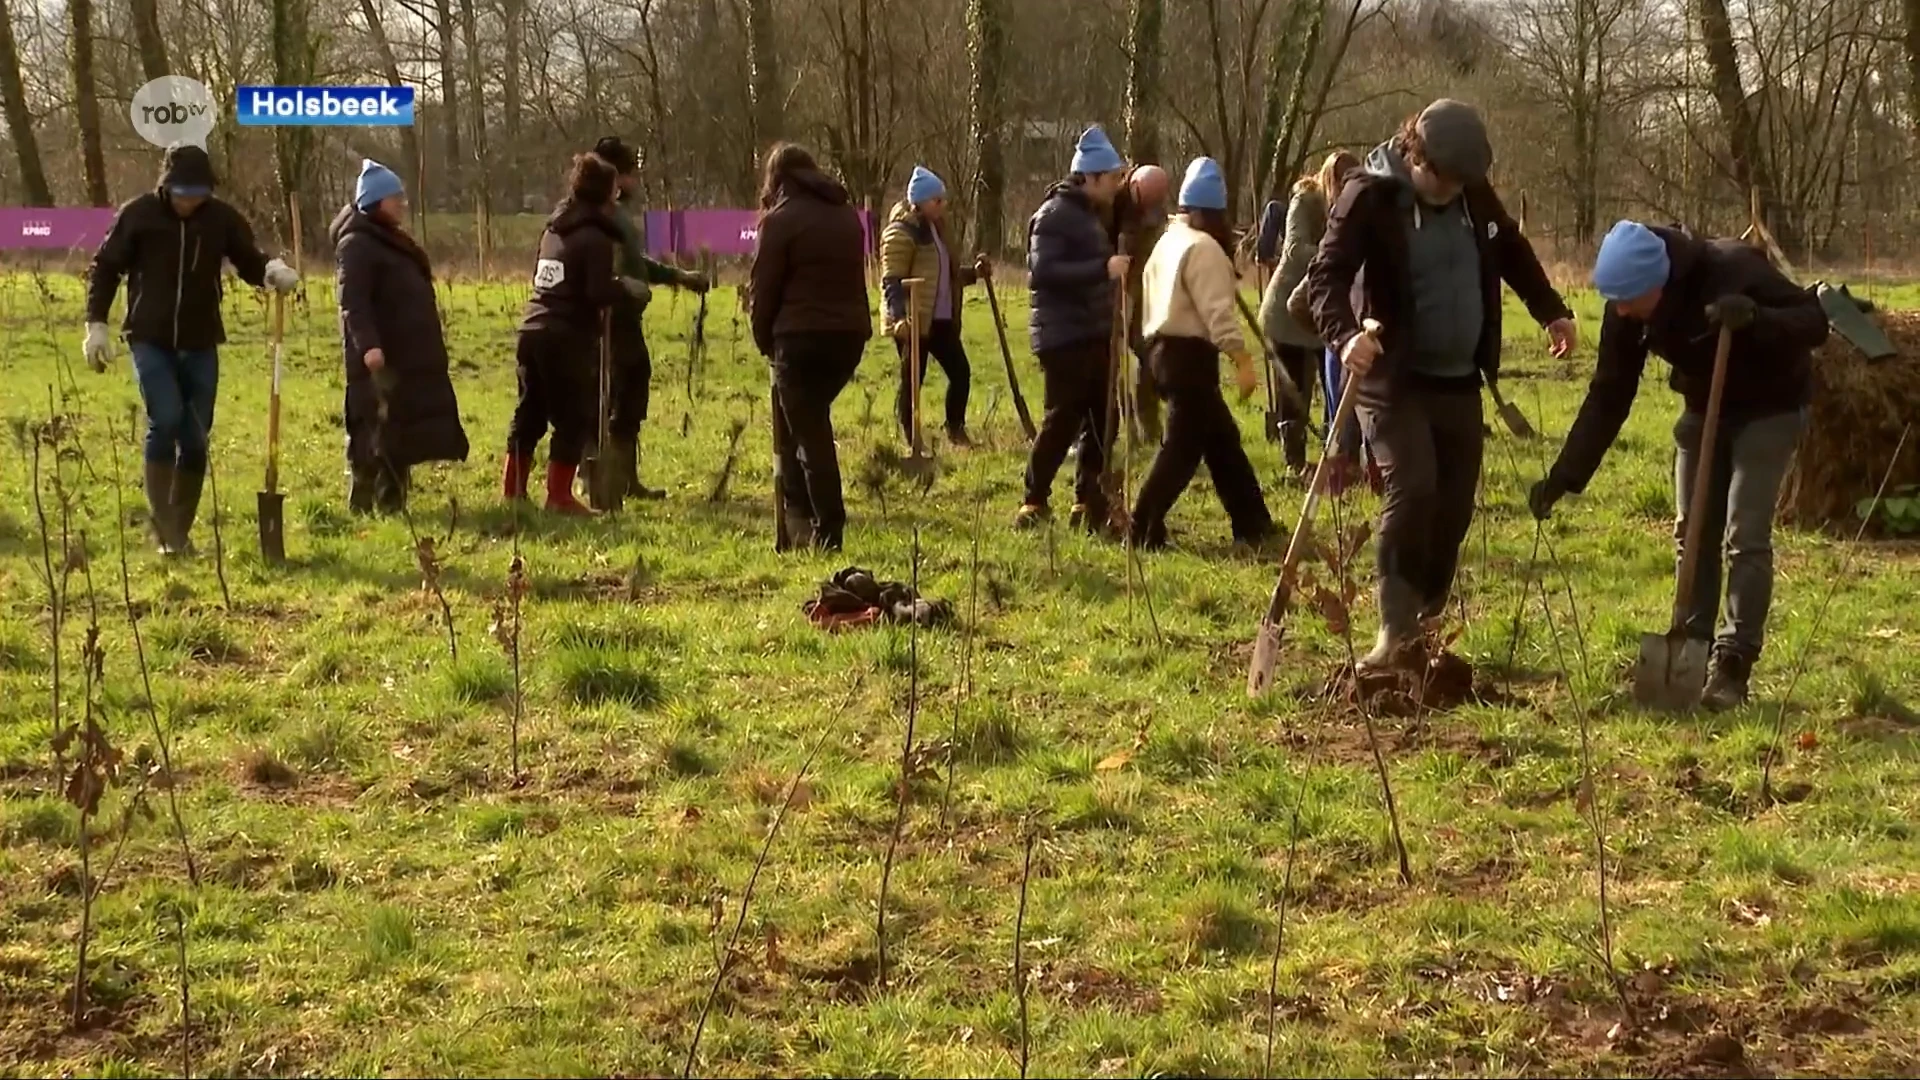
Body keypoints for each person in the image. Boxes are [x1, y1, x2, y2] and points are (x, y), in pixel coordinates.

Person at [1305, 99, 1575, 671]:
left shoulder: (1472, 194)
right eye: (1442, 179)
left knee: (1453, 507)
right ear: (1415, 155)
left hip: (1459, 378)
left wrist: (1551, 310)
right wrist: (1345, 336)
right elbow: (1323, 277)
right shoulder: (1368, 196)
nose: (1451, 191)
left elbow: (1511, 250)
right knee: (1414, 486)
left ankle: (1426, 624)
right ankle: (1391, 630)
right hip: (1392, 375)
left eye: (1462, 182)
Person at [1530, 220, 1829, 711]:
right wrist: (1565, 475)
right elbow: (1609, 394)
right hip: (1703, 406)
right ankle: (1690, 646)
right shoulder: (1626, 312)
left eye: (1628, 298)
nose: (1621, 310)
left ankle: (1733, 665)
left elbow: (1814, 321)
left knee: (1745, 534)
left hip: (1770, 406)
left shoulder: (1732, 269)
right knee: (1691, 531)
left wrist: (1756, 317)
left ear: (1659, 284)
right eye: (1615, 301)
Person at [83, 143, 299, 555]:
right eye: (182, 194)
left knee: (196, 437)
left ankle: (179, 532)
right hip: (150, 338)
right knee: (165, 419)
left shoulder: (220, 219)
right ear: (166, 188)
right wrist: (97, 325)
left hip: (201, 340)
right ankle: (164, 531)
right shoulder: (139, 215)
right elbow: (106, 267)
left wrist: (272, 271)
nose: (189, 202)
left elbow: (248, 260)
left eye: (197, 194)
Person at [1128, 157, 1274, 550]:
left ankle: (1253, 522)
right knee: (1182, 450)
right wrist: (1240, 357)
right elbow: (1217, 313)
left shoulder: (1168, 242)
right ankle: (1141, 527)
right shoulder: (1204, 248)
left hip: (1159, 351)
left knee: (1222, 440)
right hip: (1189, 356)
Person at [750, 142, 872, 552]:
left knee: (809, 433)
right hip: (849, 337)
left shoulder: (780, 220)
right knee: (805, 423)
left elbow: (763, 289)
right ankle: (799, 513)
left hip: (800, 338)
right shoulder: (845, 214)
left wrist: (764, 339)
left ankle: (827, 527)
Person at [334, 159, 468, 514]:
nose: (403, 204)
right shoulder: (357, 246)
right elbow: (354, 302)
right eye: (396, 198)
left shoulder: (390, 240)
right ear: (377, 201)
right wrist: (370, 347)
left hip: (405, 353)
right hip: (378, 356)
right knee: (372, 430)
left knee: (399, 430)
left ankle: (392, 503)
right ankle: (362, 502)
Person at [1017, 124, 1131, 531]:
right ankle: (1033, 498)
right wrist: (1103, 269)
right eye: (1113, 178)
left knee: (1102, 418)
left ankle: (1088, 499)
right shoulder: (1054, 215)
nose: (1118, 186)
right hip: (1063, 334)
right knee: (1062, 418)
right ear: (1091, 177)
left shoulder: (1089, 215)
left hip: (1091, 330)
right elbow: (1043, 271)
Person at [504, 153, 629, 515]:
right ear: (605, 193)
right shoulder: (595, 238)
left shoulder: (553, 230)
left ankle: (513, 493)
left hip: (532, 328)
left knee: (530, 411)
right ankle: (559, 497)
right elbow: (596, 292)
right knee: (573, 416)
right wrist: (624, 289)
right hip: (566, 335)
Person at [587, 136, 709, 502]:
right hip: (610, 318)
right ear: (616, 176)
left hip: (627, 316)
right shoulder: (600, 216)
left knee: (631, 391)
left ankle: (626, 479)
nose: (636, 181)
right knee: (616, 396)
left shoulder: (617, 215)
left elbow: (637, 265)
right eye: (631, 174)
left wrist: (679, 277)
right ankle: (603, 479)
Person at [1259, 149, 1361, 475]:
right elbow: (1294, 248)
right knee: (1295, 392)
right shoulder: (1306, 201)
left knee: (1337, 387)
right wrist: (1338, 252)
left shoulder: (1352, 205)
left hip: (1323, 312)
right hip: (1288, 311)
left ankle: (1339, 459)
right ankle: (1295, 463)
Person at [882, 165, 990, 449]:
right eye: (936, 200)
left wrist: (974, 274)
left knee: (960, 372)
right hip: (914, 318)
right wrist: (898, 317)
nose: (942, 205)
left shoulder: (940, 230)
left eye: (943, 200)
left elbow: (946, 276)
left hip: (941, 318)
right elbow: (891, 279)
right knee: (913, 380)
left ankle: (955, 429)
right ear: (919, 201)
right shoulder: (901, 232)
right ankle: (912, 439)